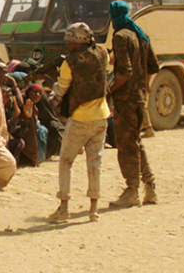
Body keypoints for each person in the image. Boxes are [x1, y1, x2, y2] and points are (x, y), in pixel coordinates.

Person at [46, 23, 110, 223]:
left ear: (77, 42)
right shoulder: (102, 53)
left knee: (66, 161)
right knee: (95, 163)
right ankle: (93, 209)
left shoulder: (70, 63)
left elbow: (61, 91)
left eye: (70, 41)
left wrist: (49, 97)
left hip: (81, 119)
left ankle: (64, 208)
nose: (67, 45)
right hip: (102, 116)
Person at [108, 1, 160, 208]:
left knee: (126, 146)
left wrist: (109, 90)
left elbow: (124, 72)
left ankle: (132, 190)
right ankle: (150, 186)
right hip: (139, 98)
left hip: (126, 100)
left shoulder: (121, 37)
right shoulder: (140, 35)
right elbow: (153, 66)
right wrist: (143, 87)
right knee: (136, 143)